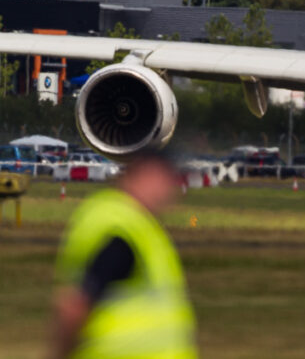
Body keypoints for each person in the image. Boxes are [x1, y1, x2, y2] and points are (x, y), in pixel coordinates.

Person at [51, 148, 197, 359]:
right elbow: (74, 306)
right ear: (138, 174)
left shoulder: (141, 226)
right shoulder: (121, 228)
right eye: (161, 179)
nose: (167, 191)